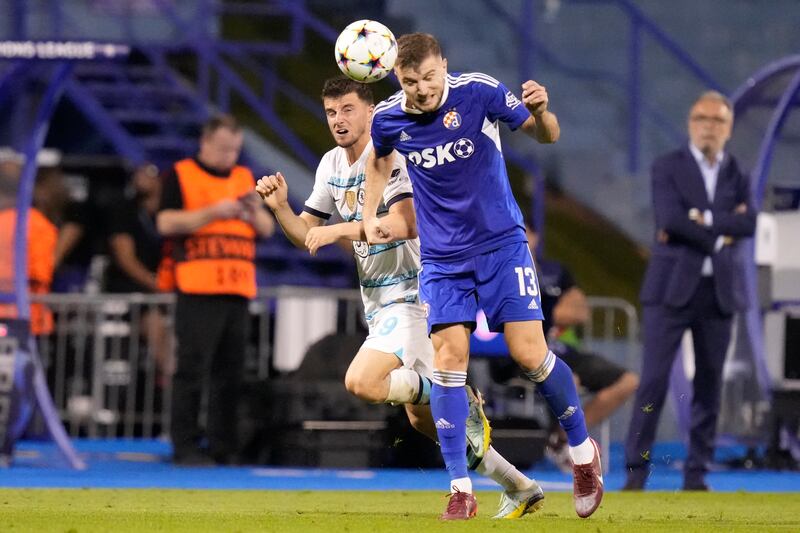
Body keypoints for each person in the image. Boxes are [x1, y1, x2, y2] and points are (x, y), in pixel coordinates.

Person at [256, 76, 544, 520]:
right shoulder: (331, 164)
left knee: (362, 381)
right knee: (423, 420)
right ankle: (520, 486)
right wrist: (279, 209)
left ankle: (456, 393)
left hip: (415, 291)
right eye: (331, 112)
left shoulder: (393, 155)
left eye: (348, 109)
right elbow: (306, 236)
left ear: (370, 111)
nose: (338, 120)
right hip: (379, 303)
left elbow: (406, 222)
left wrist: (338, 229)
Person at [362, 33, 602, 520]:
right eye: (411, 82)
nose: (423, 90)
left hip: (500, 245)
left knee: (529, 354)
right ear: (397, 78)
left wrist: (539, 112)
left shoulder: (478, 91)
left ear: (443, 66)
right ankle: (460, 488)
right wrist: (369, 214)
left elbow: (547, 135)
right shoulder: (389, 116)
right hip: (443, 259)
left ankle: (582, 454)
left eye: (430, 77)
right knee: (449, 361)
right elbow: (379, 158)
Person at [624, 91, 756, 491]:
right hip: (668, 292)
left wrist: (702, 219)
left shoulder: (738, 173)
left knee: (710, 385)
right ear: (689, 123)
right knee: (653, 383)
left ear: (729, 128)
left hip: (718, 293)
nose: (708, 127)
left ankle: (696, 474)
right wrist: (720, 232)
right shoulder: (667, 166)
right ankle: (635, 474)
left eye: (717, 120)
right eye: (701, 118)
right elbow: (670, 219)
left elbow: (748, 223)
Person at [157, 115, 275, 465]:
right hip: (197, 287)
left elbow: (267, 229)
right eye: (223, 148)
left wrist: (253, 214)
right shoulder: (180, 174)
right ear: (205, 142)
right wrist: (213, 212)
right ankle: (186, 445)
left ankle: (224, 446)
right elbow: (164, 222)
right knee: (192, 369)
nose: (229, 156)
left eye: (234, 150)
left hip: (237, 288)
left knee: (231, 372)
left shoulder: (243, 177)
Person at [524, 222, 639, 471]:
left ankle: (562, 438)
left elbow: (580, 310)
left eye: (526, 232)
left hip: (563, 350)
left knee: (628, 381)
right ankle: (575, 446)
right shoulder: (505, 271)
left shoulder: (555, 271)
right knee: (568, 380)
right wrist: (555, 311)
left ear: (536, 236)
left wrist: (547, 313)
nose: (522, 238)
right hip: (524, 352)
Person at [106, 162, 173, 383]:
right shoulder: (124, 209)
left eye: (148, 172)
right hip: (133, 289)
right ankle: (170, 377)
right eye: (138, 172)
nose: (141, 177)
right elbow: (125, 258)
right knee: (155, 320)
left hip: (169, 286)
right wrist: (156, 284)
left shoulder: (172, 212)